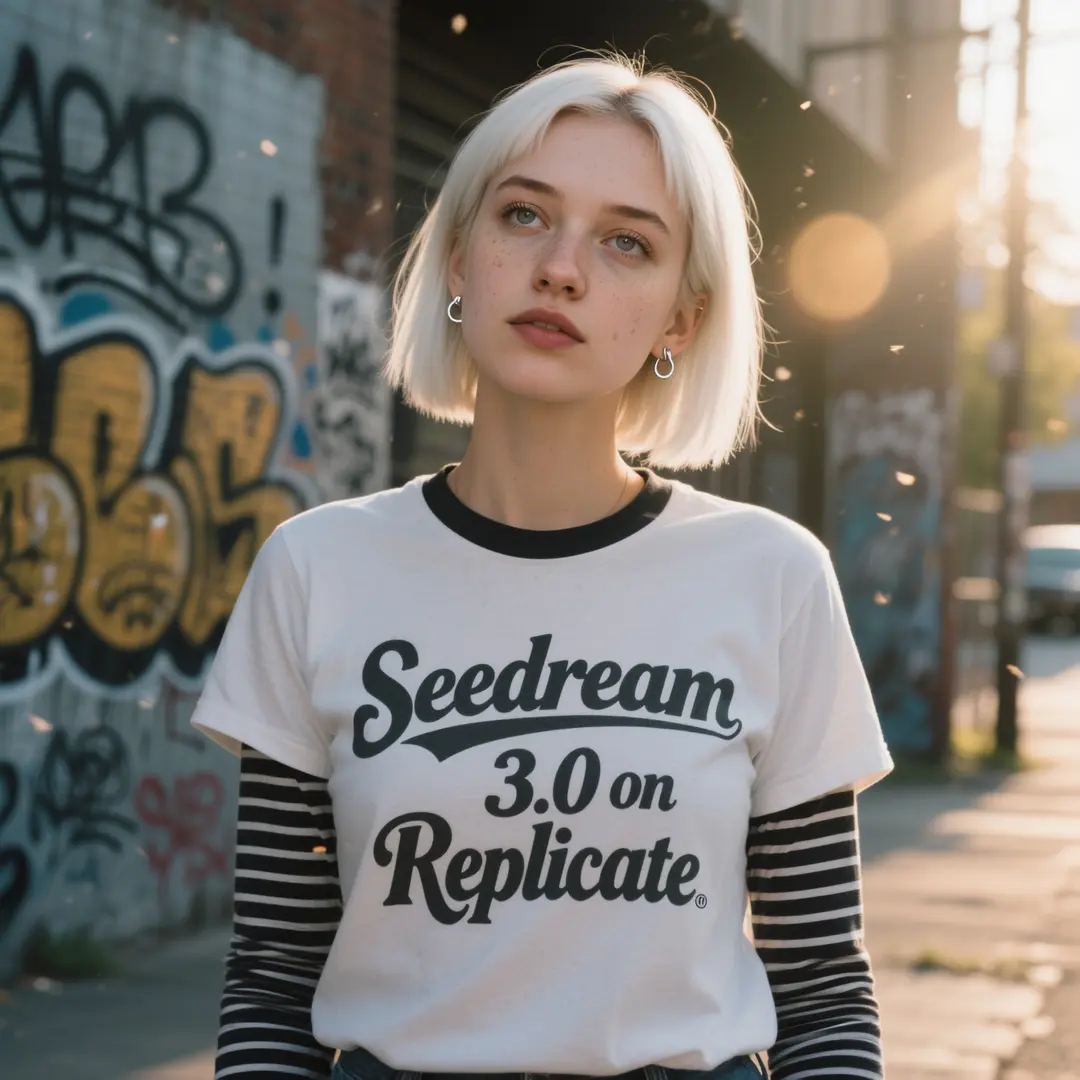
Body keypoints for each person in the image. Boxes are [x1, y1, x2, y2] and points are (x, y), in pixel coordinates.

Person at [191, 54, 894, 1080]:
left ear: (680, 320)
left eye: (626, 242)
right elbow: (271, 973)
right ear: (460, 259)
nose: (563, 268)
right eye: (524, 216)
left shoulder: (771, 576)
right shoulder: (318, 567)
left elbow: (823, 984)